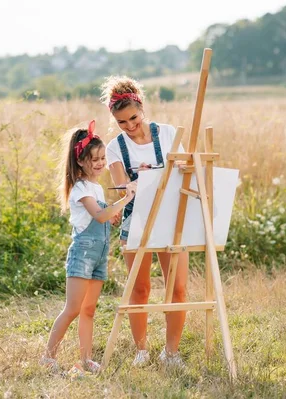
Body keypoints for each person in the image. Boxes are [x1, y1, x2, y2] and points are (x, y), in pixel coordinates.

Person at [101, 75, 188, 368]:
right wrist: (130, 188)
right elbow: (121, 184)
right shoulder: (114, 147)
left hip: (172, 218)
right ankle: (142, 350)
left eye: (133, 118)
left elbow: (186, 171)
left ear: (141, 107)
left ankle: (171, 352)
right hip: (136, 220)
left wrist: (186, 166)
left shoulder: (168, 134)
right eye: (122, 122)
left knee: (177, 288)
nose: (129, 126)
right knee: (139, 289)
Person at [40, 119, 137, 377]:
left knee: (89, 310)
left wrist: (113, 212)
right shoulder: (80, 187)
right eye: (94, 158)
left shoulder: (96, 187)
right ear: (80, 160)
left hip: (99, 255)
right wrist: (124, 201)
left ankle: (85, 359)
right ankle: (48, 357)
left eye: (103, 157)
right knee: (72, 308)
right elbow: (99, 216)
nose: (100, 163)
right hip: (83, 254)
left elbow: (105, 214)